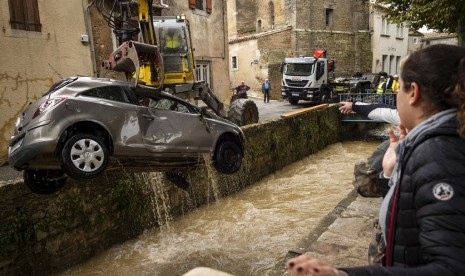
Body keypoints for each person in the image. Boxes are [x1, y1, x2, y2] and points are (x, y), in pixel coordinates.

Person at [286, 44, 465, 275]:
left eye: (399, 87)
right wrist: (389, 175)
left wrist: (342, 274)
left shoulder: (439, 154)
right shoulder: (437, 142)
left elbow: (452, 268)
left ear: (414, 93)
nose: (395, 95)